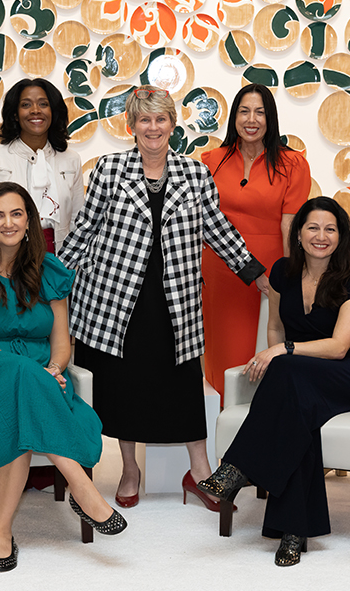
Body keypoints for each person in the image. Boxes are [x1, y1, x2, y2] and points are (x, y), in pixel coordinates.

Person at [57, 85, 265, 511]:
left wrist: (254, 272)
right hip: (116, 297)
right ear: (131, 125)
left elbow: (217, 228)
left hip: (176, 296)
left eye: (161, 119)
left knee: (183, 383)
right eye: (144, 120)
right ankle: (130, 469)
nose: (153, 128)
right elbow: (86, 227)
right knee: (124, 385)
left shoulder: (195, 173)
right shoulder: (110, 170)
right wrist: (52, 277)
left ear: (173, 124)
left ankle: (201, 471)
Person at [0, 182, 127, 573]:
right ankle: (80, 485)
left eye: (17, 213)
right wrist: (35, 374)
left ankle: (0, 534)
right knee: (21, 380)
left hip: (39, 378)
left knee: (20, 407)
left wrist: (54, 370)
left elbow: (61, 344)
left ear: (30, 221)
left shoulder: (50, 272)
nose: (8, 223)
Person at [198, 197, 350, 567]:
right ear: (298, 233)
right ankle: (293, 532)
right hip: (297, 377)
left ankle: (238, 468)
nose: (321, 236)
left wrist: (283, 351)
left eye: (330, 229)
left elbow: (338, 346)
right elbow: (275, 325)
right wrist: (274, 353)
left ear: (341, 237)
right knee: (298, 416)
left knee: (287, 373)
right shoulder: (283, 272)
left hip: (340, 374)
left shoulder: (349, 277)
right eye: (313, 227)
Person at [201, 83, 311, 402]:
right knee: (223, 364)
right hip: (219, 275)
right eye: (244, 111)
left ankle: (260, 440)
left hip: (269, 278)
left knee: (265, 359)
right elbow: (203, 222)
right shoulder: (211, 160)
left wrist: (289, 279)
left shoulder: (293, 164)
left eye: (260, 112)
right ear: (234, 117)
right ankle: (226, 433)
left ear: (271, 118)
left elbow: (290, 224)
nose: (252, 119)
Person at [0, 77, 84, 254]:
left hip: (56, 258)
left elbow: (78, 222)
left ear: (53, 111)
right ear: (15, 114)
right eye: (26, 105)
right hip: (3, 257)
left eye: (43, 104)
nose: (35, 111)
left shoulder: (71, 160)